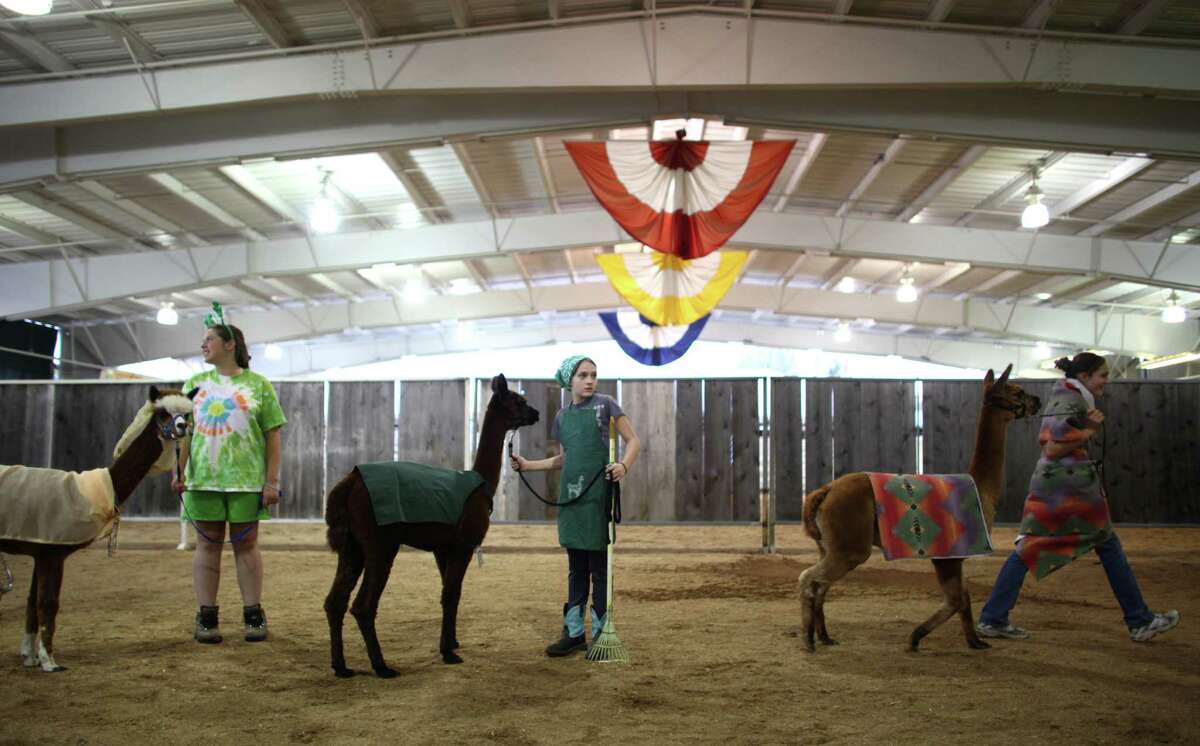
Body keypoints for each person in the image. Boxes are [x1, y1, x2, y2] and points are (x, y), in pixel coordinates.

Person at [976, 352, 1179, 642]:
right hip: (1067, 491)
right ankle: (1139, 620)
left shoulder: (1070, 395)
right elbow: (1053, 449)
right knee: (1106, 545)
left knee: (1040, 548)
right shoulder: (1070, 399)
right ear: (1085, 376)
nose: (1107, 381)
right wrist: (1090, 430)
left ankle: (993, 617)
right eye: (1103, 375)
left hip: (1062, 488)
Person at [509, 355, 641, 657]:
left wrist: (623, 465)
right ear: (570, 380)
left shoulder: (606, 404)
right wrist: (529, 465)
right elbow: (565, 459)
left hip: (597, 498)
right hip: (573, 499)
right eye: (583, 375)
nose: (590, 380)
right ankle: (574, 633)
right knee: (576, 567)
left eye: (594, 374)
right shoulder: (562, 417)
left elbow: (633, 441)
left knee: (599, 568)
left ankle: (601, 634)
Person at [172, 303, 286, 644]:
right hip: (202, 481)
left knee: (246, 547)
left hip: (247, 483)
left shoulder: (259, 385)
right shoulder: (194, 383)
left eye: (209, 339)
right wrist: (178, 472)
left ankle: (253, 614)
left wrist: (272, 481)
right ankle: (206, 616)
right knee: (206, 547)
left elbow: (273, 435)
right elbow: (184, 433)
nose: (203, 345)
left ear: (230, 344)